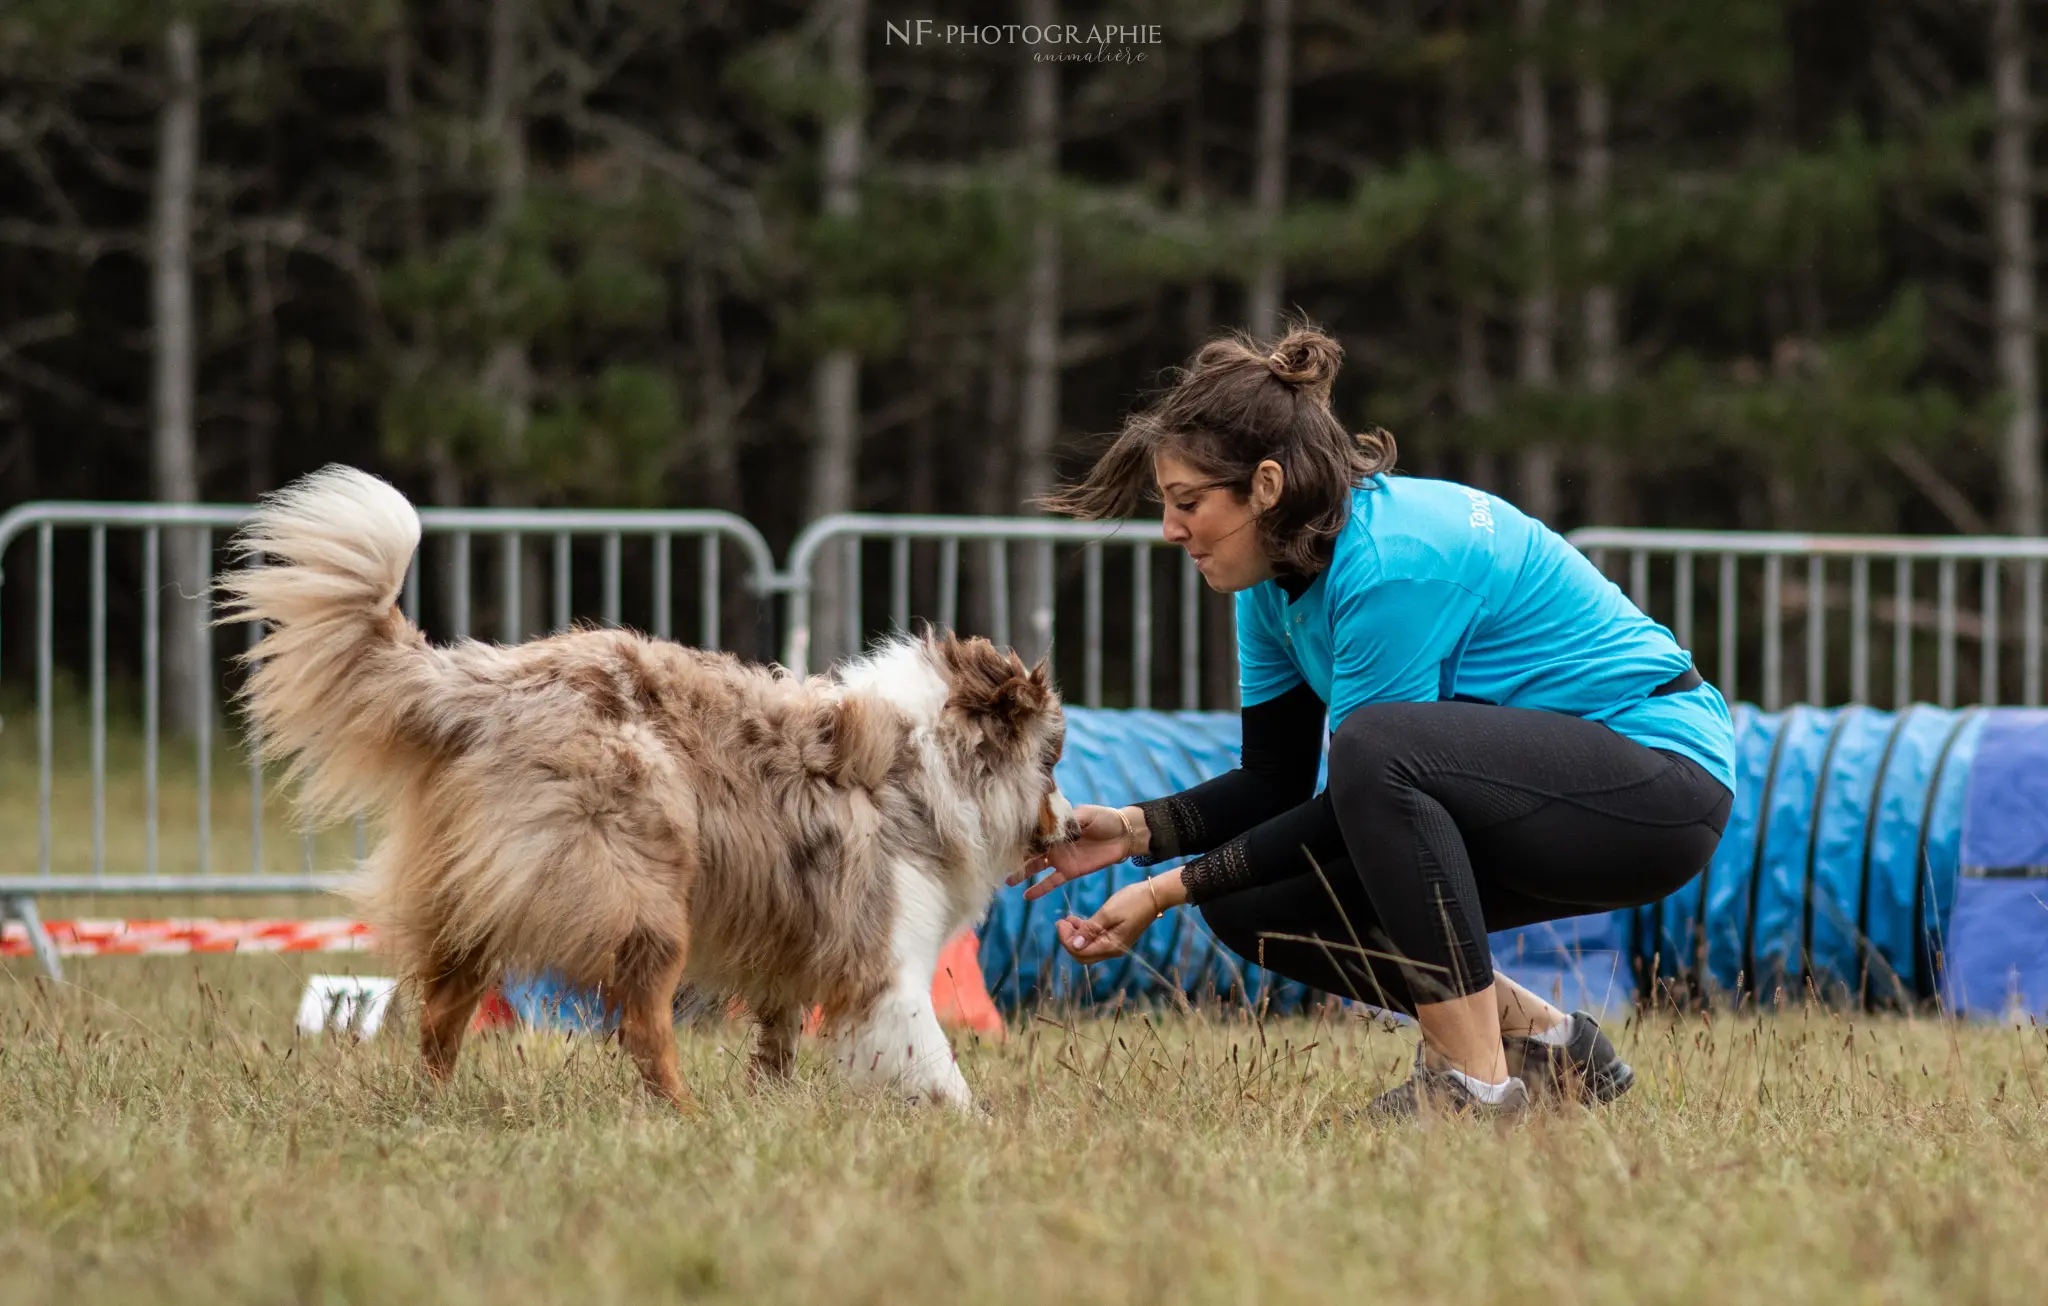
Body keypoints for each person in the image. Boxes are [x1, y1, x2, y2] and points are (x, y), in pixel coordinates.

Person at [1017, 325, 1736, 1118]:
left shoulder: (1391, 564)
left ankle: (1471, 1088)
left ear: (1265, 486)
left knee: (1373, 751)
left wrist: (1164, 889)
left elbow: (1364, 786)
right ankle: (1554, 1050)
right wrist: (1133, 828)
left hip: (1658, 785)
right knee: (1248, 902)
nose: (1171, 531)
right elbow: (1274, 783)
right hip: (1536, 797)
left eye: (1188, 504)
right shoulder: (1271, 581)